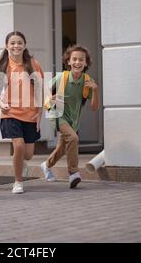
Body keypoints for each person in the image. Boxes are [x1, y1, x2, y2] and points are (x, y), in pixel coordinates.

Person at [40, 45, 99, 188]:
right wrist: (51, 97)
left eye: (81, 60)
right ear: (68, 62)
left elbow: (94, 108)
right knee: (73, 138)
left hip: (73, 120)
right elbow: (46, 89)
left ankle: (46, 165)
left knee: (62, 148)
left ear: (86, 63)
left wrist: (95, 90)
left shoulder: (87, 81)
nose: (77, 62)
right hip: (58, 115)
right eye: (74, 59)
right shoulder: (62, 77)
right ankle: (73, 173)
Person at [0, 31, 44, 194]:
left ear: (24, 45)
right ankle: (18, 182)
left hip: (30, 113)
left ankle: (20, 161)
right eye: (13, 43)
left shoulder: (33, 64)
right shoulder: (2, 65)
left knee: (28, 155)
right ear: (7, 45)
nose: (16, 46)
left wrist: (39, 115)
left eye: (19, 42)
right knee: (19, 145)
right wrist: (0, 102)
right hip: (10, 113)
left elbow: (39, 90)